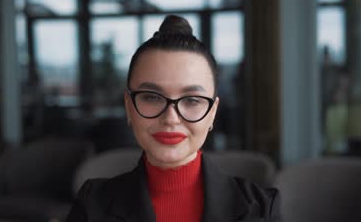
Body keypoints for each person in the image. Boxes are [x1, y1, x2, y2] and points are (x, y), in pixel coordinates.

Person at [66, 15, 280, 222]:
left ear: (213, 112)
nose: (171, 118)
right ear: (129, 106)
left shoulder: (263, 209)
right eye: (151, 97)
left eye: (192, 100)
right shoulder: (92, 203)